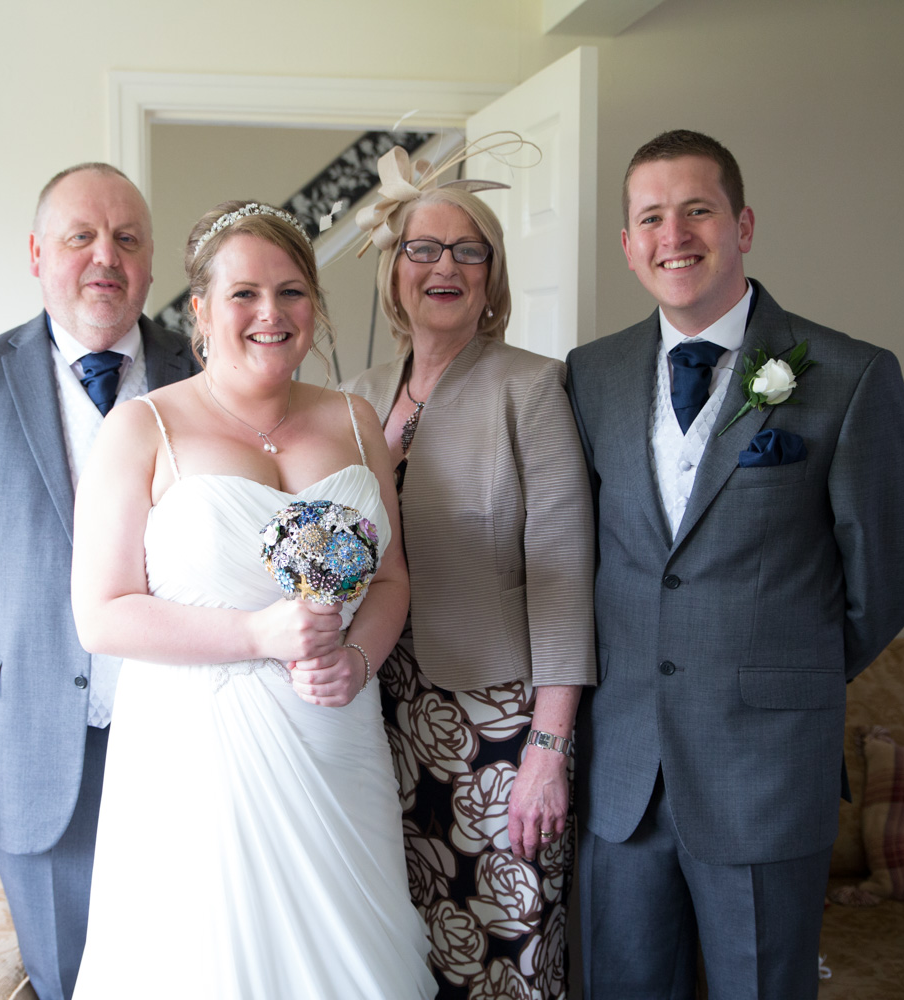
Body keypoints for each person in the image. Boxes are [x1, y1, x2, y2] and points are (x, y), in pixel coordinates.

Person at [565, 129, 904, 998]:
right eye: (650, 217)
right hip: (624, 774)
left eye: (697, 209)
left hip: (764, 769)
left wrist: (782, 672)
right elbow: (583, 553)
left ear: (744, 224)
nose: (674, 234)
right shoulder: (592, 375)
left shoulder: (847, 375)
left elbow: (887, 577)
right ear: (627, 246)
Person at [67, 200, 435, 998]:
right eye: (244, 294)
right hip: (200, 753)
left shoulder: (356, 419)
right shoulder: (142, 428)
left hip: (337, 739)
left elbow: (394, 576)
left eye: (293, 292)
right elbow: (101, 613)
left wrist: (361, 658)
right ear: (200, 311)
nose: (271, 314)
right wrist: (257, 634)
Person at [0, 163, 198, 1000]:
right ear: (35, 254)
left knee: (193, 965)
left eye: (127, 238)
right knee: (66, 977)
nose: (106, 257)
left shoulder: (205, 368)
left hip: (192, 729)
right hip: (29, 736)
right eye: (80, 236)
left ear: (152, 262)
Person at [342, 152, 595, 999]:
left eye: (468, 251)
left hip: (496, 725)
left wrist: (548, 750)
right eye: (422, 248)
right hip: (376, 717)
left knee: (503, 943)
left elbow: (563, 577)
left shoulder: (532, 388)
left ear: (493, 279)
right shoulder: (355, 398)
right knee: (400, 935)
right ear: (395, 270)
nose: (444, 266)